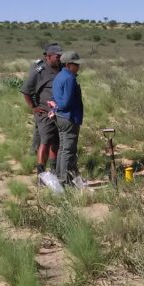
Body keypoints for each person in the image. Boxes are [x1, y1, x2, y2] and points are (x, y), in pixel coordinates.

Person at [20, 43, 63, 176]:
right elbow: (26, 91)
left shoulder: (62, 69)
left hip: (59, 113)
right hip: (44, 113)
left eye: (61, 56)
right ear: (49, 57)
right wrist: (34, 107)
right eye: (57, 56)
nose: (60, 58)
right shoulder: (40, 71)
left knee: (56, 142)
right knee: (45, 142)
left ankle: (54, 172)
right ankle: (41, 173)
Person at [51, 51, 84, 186]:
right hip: (68, 117)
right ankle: (63, 181)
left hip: (61, 117)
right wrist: (60, 107)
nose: (78, 67)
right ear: (69, 64)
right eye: (76, 64)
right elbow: (66, 103)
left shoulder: (59, 76)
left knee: (63, 148)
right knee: (67, 150)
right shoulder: (69, 78)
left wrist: (56, 108)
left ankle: (60, 178)